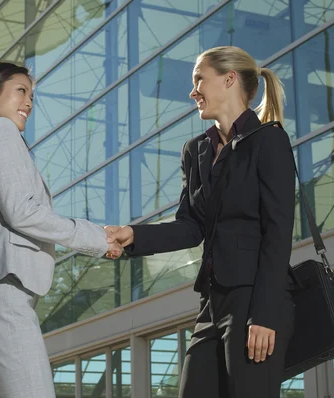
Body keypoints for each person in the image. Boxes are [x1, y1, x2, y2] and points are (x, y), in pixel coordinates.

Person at [105, 46, 297, 397]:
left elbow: (278, 231)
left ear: (228, 79)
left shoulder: (269, 141)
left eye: (199, 80)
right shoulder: (196, 151)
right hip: (212, 302)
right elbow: (191, 226)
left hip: (256, 299)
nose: (193, 92)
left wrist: (264, 314)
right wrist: (133, 235)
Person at [0, 62, 122, 398]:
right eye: (20, 91)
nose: (29, 102)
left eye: (32, 96)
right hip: (1, 293)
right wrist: (97, 238)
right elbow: (22, 211)